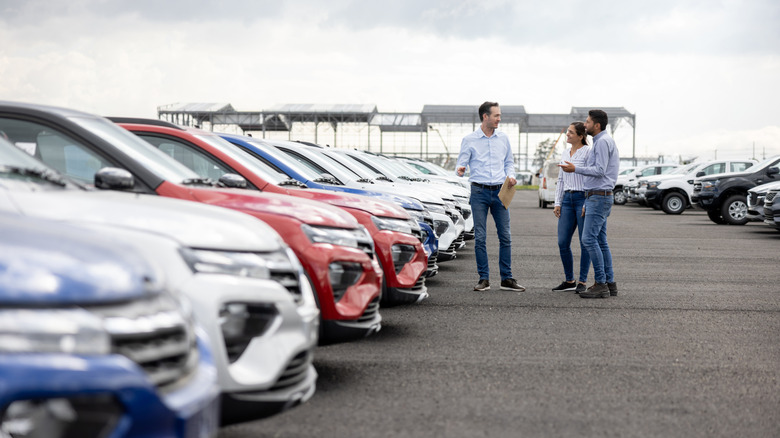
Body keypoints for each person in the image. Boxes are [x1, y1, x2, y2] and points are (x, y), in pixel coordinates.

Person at [456, 102, 524, 292]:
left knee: (505, 236)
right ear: (485, 116)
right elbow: (460, 165)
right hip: (479, 192)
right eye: (496, 115)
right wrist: (460, 170)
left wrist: (511, 176)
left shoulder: (503, 138)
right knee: (481, 237)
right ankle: (484, 278)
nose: (499, 119)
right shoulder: (469, 140)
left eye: (500, 115)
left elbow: (509, 162)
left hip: (501, 192)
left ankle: (507, 278)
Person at [558, 109, 619, 298]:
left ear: (597, 125)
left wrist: (575, 168)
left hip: (598, 196)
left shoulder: (601, 143)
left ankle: (600, 283)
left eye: (587, 122)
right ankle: (610, 283)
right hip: (599, 195)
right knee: (600, 241)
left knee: (589, 240)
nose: (585, 125)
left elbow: (599, 170)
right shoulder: (604, 141)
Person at [552, 122, 592, 294]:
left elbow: (591, 177)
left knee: (585, 242)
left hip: (582, 198)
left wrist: (587, 202)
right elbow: (560, 179)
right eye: (567, 132)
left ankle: (582, 281)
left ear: (581, 136)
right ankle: (570, 280)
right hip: (567, 199)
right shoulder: (565, 152)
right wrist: (557, 202)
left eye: (570, 132)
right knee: (562, 242)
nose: (567, 135)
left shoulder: (588, 152)